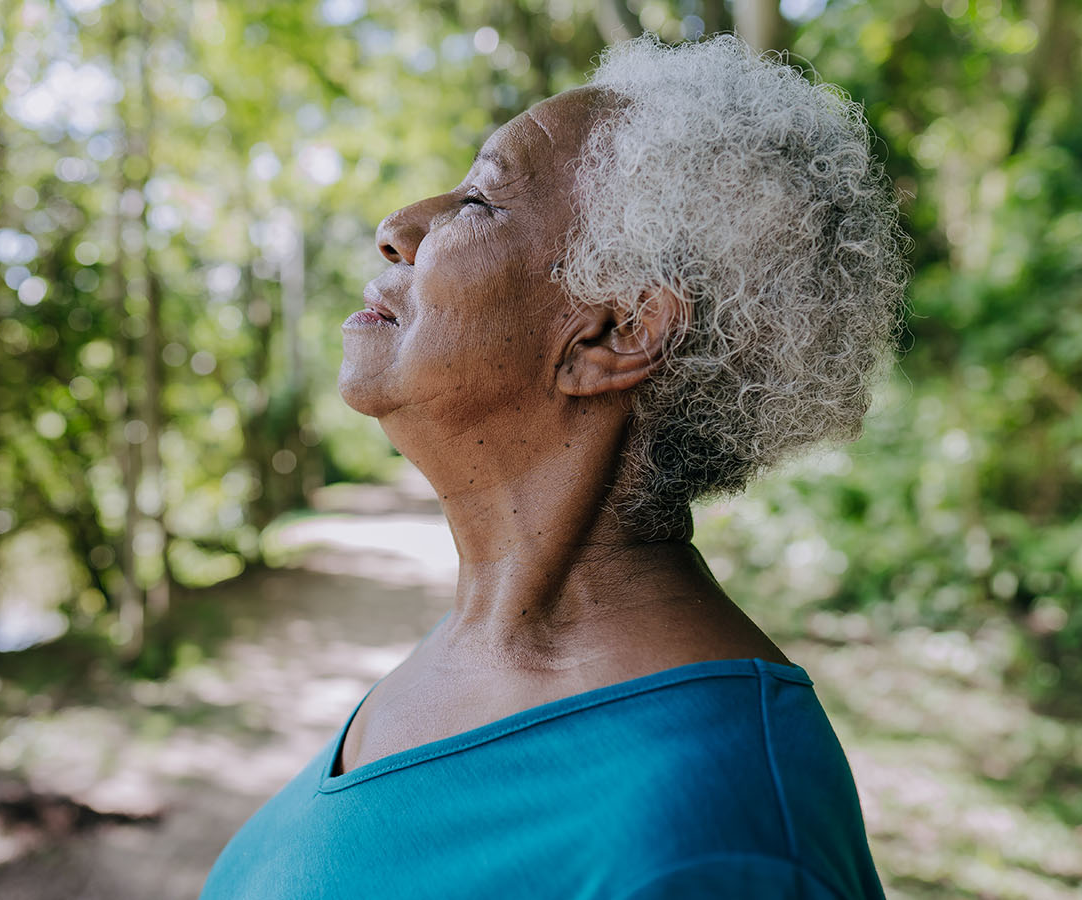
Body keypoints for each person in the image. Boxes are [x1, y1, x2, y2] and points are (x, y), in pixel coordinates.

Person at [202, 33, 906, 899]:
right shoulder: (478, 638)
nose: (399, 227)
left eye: (483, 201)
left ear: (614, 334)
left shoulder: (715, 839)